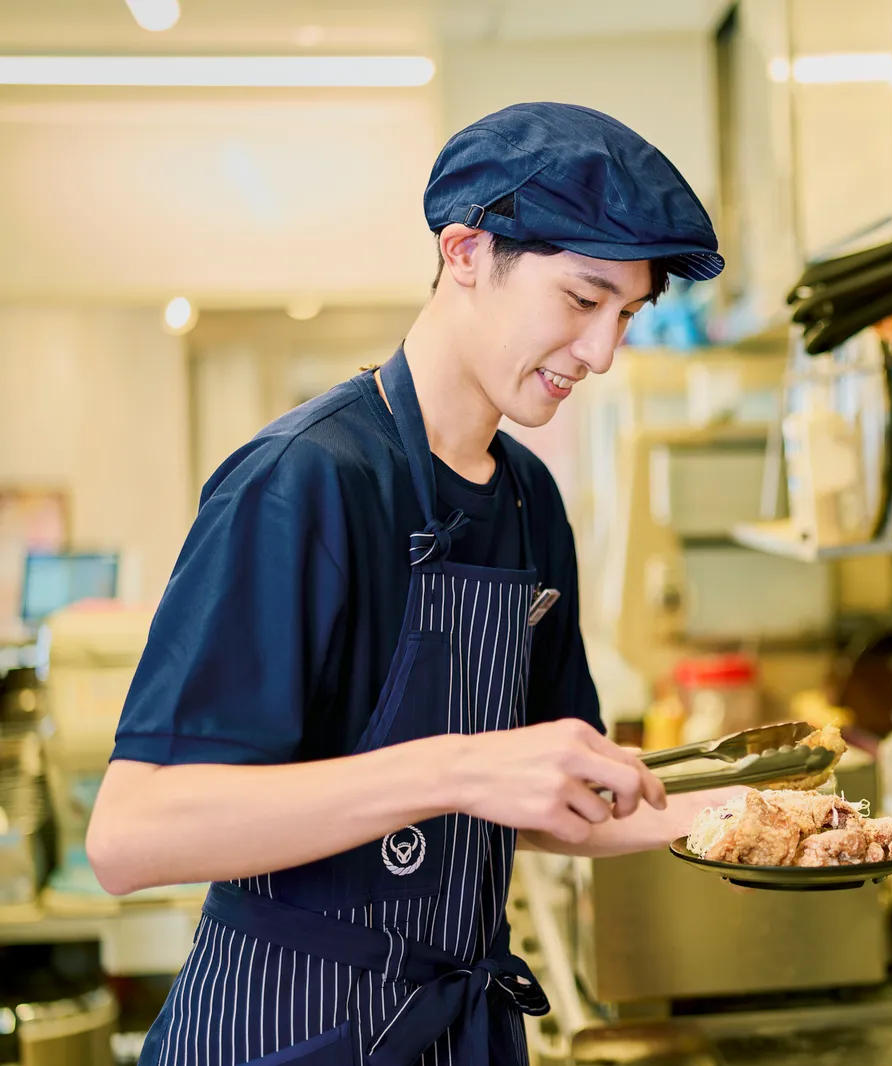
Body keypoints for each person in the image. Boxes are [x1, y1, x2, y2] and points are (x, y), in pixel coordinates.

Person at [86, 102, 741, 1066]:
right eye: (581, 299)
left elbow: (556, 800)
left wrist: (746, 820)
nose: (603, 352)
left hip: (454, 1032)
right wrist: (460, 768)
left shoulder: (528, 500)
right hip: (282, 1033)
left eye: (626, 317)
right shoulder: (303, 481)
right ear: (466, 251)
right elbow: (130, 836)